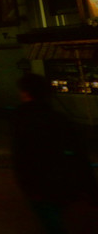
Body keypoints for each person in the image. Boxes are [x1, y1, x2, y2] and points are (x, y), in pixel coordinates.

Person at [10, 72, 97, 233]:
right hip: (62, 180)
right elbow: (78, 153)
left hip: (38, 183)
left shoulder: (22, 119)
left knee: (52, 222)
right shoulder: (59, 119)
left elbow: (21, 155)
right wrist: (90, 187)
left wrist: (27, 184)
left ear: (25, 92)